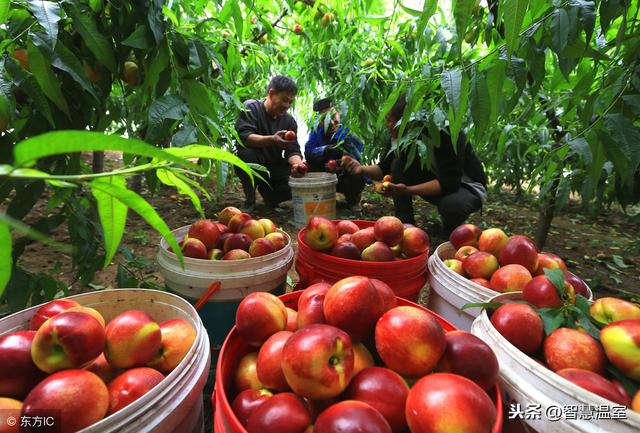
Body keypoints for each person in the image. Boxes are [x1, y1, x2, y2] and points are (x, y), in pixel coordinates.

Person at [342, 94, 487, 235]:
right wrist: (360, 169)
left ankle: (452, 231)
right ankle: (405, 223)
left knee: (452, 206)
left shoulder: (446, 132)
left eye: (390, 121)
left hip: (467, 187)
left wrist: (407, 190)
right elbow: (384, 168)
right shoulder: (400, 137)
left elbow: (450, 182)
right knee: (398, 164)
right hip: (436, 182)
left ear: (407, 122)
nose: (387, 125)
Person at [235, 75, 305, 211]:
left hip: (274, 167)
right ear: (272, 94)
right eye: (284, 100)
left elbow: (293, 150)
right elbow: (245, 137)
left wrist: (298, 165)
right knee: (247, 154)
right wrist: (272, 139)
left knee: (292, 185)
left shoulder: (289, 122)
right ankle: (250, 199)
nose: (287, 105)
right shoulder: (251, 108)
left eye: (290, 102)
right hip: (255, 162)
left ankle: (270, 195)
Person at [304, 97, 366, 211]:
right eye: (325, 119)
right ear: (319, 121)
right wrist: (326, 150)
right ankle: (318, 198)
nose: (331, 123)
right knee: (307, 166)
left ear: (339, 114)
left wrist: (341, 163)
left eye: (333, 117)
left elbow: (357, 157)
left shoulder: (350, 130)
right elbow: (308, 151)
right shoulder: (316, 130)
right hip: (325, 172)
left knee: (357, 173)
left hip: (344, 174)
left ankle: (353, 198)